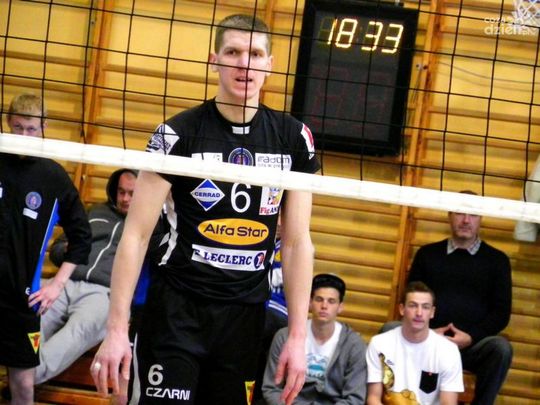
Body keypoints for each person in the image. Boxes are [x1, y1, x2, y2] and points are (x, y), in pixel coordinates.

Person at [91, 14, 320, 405]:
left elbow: (298, 242)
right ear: (214, 60)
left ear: (270, 64)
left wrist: (299, 337)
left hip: (244, 316)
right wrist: (116, 330)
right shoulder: (177, 134)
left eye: (255, 54)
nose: (244, 64)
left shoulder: (293, 138)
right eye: (233, 52)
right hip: (177, 311)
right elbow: (136, 235)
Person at [0, 93, 92, 404]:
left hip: (21, 299)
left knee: (23, 386)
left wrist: (56, 285)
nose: (24, 136)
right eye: (18, 128)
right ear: (7, 124)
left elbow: (82, 237)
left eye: (31, 129)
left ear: (44, 127)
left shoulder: (53, 177)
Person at [408, 191, 513, 405]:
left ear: (480, 219)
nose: (466, 220)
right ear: (449, 215)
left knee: (501, 348)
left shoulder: (497, 261)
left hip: (472, 347)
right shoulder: (427, 255)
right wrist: (428, 332)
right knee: (390, 330)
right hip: (427, 340)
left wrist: (471, 337)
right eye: (459, 213)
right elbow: (410, 300)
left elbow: (501, 313)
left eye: (472, 214)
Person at [34, 168, 137, 384]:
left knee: (76, 332)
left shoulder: (149, 226)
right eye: (121, 192)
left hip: (105, 294)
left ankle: (25, 377)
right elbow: (57, 249)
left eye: (132, 193)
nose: (125, 199)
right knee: (33, 312)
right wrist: (67, 250)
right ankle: (23, 377)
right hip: (66, 282)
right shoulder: (96, 211)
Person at [262, 273, 367, 404]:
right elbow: (271, 389)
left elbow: (355, 398)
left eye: (331, 301)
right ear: (310, 302)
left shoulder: (354, 345)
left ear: (340, 307)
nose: (324, 306)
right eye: (319, 299)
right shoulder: (285, 337)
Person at [366, 281, 463, 405]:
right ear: (402, 309)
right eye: (413, 306)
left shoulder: (449, 351)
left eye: (425, 307)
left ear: (432, 312)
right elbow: (373, 398)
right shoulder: (379, 343)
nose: (419, 313)